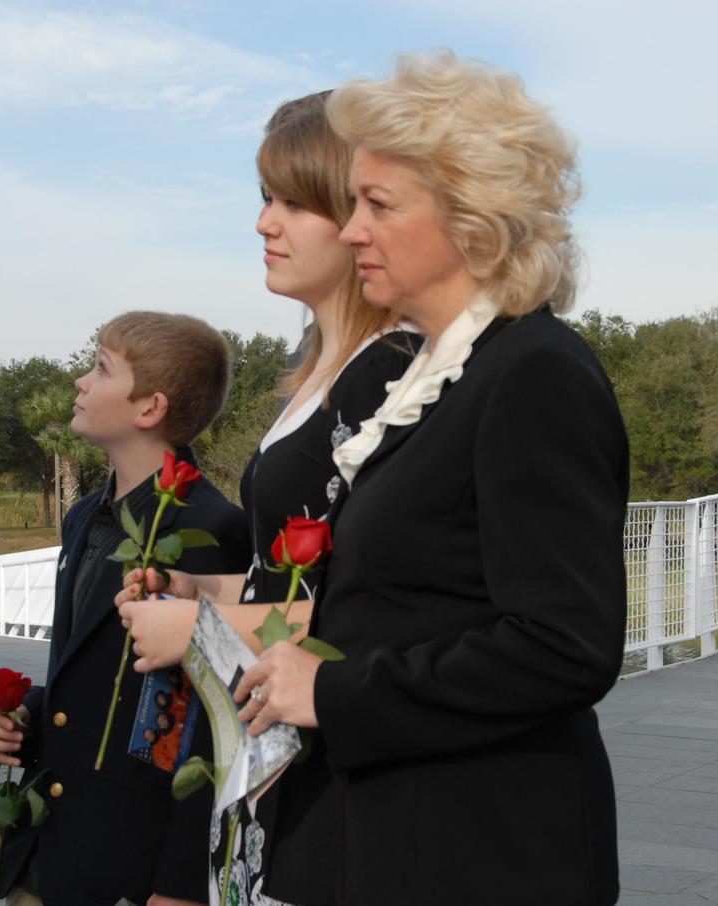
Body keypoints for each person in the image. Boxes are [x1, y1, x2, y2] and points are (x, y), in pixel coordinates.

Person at [232, 53, 630, 904]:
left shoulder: (534, 373)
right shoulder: (441, 376)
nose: (350, 230)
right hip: (390, 837)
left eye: (377, 204)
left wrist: (333, 691)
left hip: (479, 849)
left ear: (469, 218)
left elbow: (564, 644)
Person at [116, 92, 418, 905]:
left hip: (333, 771)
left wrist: (205, 628)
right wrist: (203, 589)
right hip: (274, 750)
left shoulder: (392, 375)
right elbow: (292, 579)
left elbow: (389, 601)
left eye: (292, 202)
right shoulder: (320, 368)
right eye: (263, 199)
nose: (264, 223)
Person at [0, 312, 252, 906]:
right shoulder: (83, 518)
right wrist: (23, 718)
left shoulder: (212, 527)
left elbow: (210, 724)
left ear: (148, 409)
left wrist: (181, 884)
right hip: (50, 850)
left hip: (133, 864)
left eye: (100, 368)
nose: (80, 381)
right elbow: (87, 672)